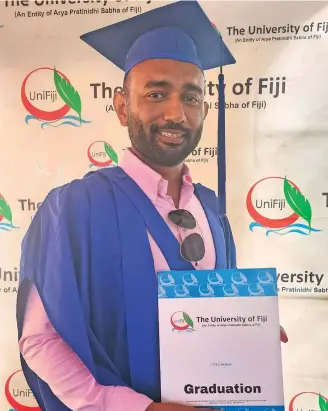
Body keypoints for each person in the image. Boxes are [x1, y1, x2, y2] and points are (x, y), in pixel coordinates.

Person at [16, 2, 288, 411]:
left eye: (191, 97)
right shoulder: (75, 208)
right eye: (156, 93)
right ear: (123, 105)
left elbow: (209, 318)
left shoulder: (213, 213)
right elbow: (40, 339)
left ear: (205, 110)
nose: (176, 113)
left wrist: (246, 331)